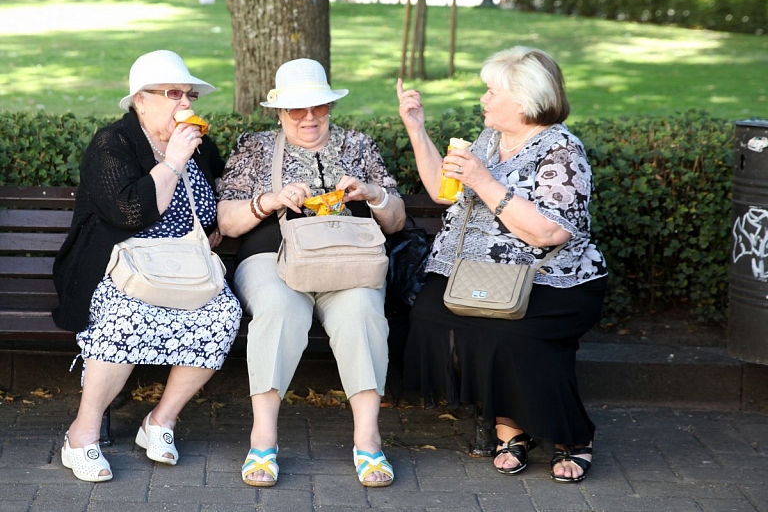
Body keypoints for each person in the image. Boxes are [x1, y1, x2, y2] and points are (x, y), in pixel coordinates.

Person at [396, 46, 608, 483]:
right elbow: (443, 191)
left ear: (526, 100)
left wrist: (485, 182)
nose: (484, 100)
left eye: (492, 92)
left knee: (513, 331)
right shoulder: (491, 139)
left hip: (553, 278)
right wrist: (416, 129)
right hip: (477, 273)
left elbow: (548, 234)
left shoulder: (562, 150)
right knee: (433, 313)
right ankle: (508, 423)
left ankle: (571, 435)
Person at [52, 50, 243, 483]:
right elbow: (128, 212)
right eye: (173, 93)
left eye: (189, 94)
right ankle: (81, 435)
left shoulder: (200, 144)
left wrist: (212, 225)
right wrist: (172, 161)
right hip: (119, 261)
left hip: (181, 263)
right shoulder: (112, 143)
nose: (185, 102)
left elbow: (210, 205)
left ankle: (160, 421)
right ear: (141, 100)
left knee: (222, 313)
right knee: (123, 315)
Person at [216, 58, 406, 488]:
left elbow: (394, 221)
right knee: (279, 309)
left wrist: (374, 194)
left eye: (317, 106)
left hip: (348, 260)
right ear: (279, 112)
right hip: (272, 257)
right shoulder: (257, 147)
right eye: (296, 109)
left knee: (362, 312)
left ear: (329, 106)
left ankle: (368, 440)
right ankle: (262, 439)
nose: (308, 117)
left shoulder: (358, 145)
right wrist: (271, 200)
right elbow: (226, 222)